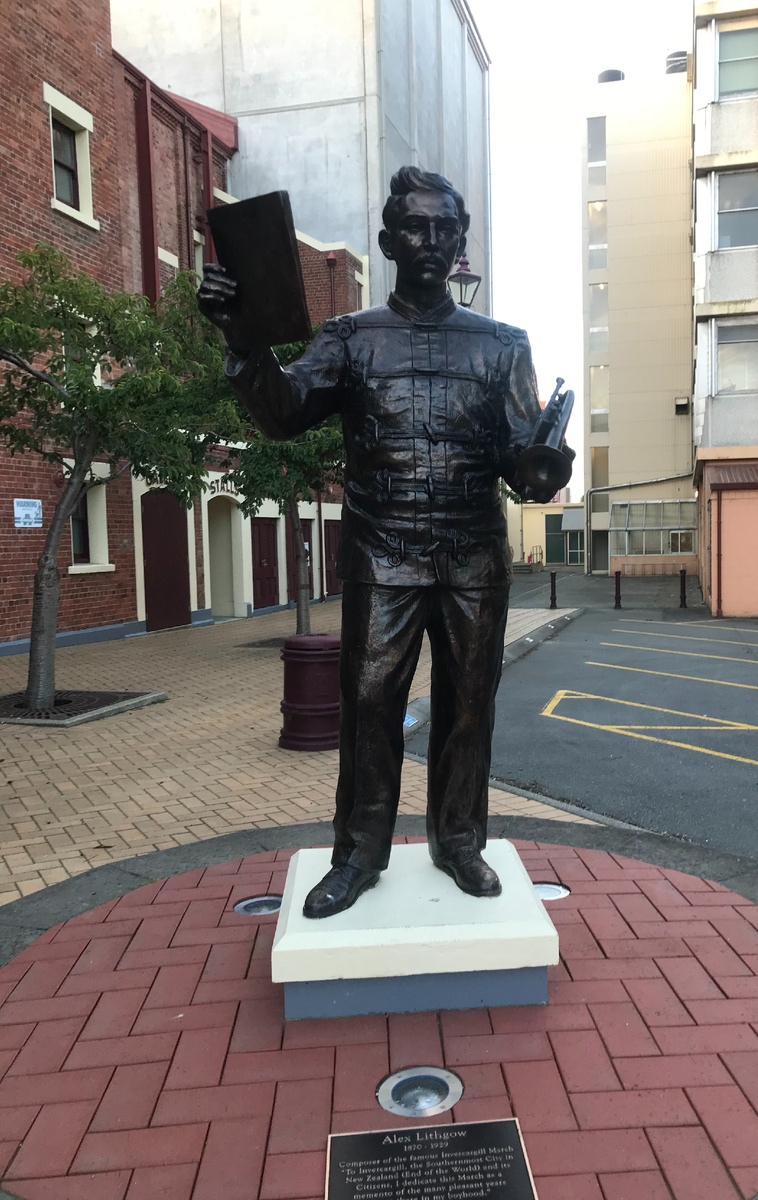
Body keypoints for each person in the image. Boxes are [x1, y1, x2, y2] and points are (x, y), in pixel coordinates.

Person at [199, 166, 570, 918]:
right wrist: (242, 339)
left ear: (461, 241)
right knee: (369, 707)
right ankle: (360, 852)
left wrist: (541, 468)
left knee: (471, 705)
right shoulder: (349, 337)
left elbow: (522, 460)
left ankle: (459, 840)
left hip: (473, 556)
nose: (430, 241)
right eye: (415, 228)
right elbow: (283, 414)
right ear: (387, 240)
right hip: (383, 553)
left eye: (444, 229)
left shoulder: (503, 346)